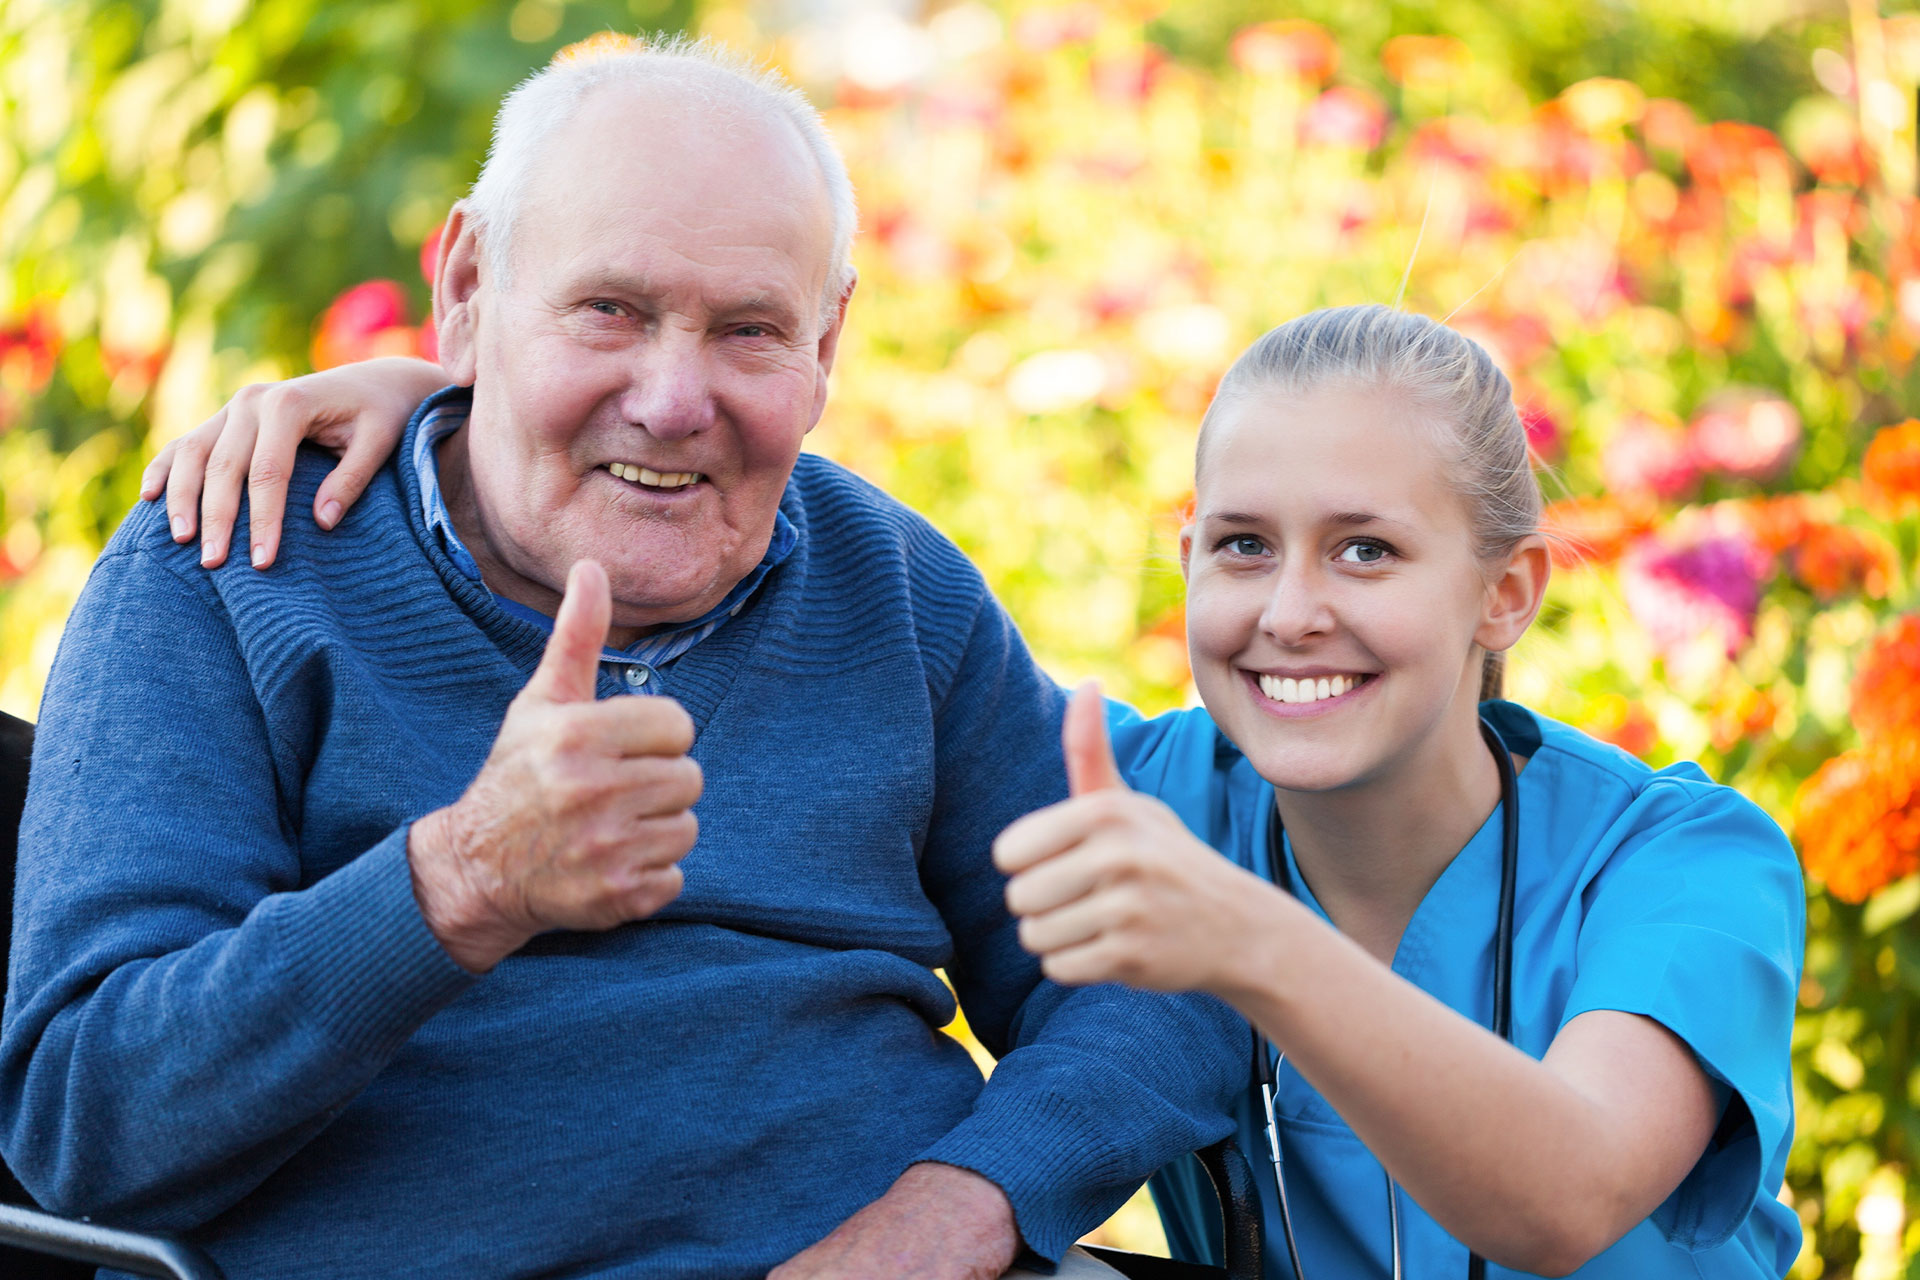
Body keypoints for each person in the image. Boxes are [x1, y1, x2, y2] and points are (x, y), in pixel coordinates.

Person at [1, 38, 1243, 1280]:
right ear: (471, 287)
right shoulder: (230, 562)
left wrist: (955, 1211)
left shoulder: (893, 586)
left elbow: (1148, 981)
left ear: (827, 345)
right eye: (612, 309)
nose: (671, 398)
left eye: (750, 329)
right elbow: (84, 1125)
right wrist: (462, 880)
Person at [993, 306, 1804, 1277]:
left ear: (1505, 592)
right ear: (1188, 560)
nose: (1290, 614)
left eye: (1364, 549)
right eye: (1244, 545)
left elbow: (1571, 1195)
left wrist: (1247, 938)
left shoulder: (1687, 861)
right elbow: (906, 667)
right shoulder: (1142, 792)